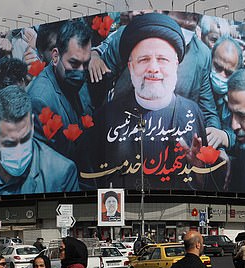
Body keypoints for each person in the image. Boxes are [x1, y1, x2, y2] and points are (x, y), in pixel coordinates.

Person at [77, 13, 223, 191]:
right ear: (130, 66)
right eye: (144, 59)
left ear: (175, 64)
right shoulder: (106, 118)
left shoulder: (192, 112)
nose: (153, 69)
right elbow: (90, 179)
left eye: (162, 59)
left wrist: (206, 162)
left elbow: (203, 186)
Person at [0, 85, 80, 196]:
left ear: (32, 125)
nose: (19, 151)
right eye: (9, 143)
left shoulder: (61, 172)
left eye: (25, 139)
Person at [27, 19, 94, 160]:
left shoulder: (75, 76)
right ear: (55, 57)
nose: (81, 72)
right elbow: (52, 161)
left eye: (86, 64)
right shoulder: (40, 101)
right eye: (74, 64)